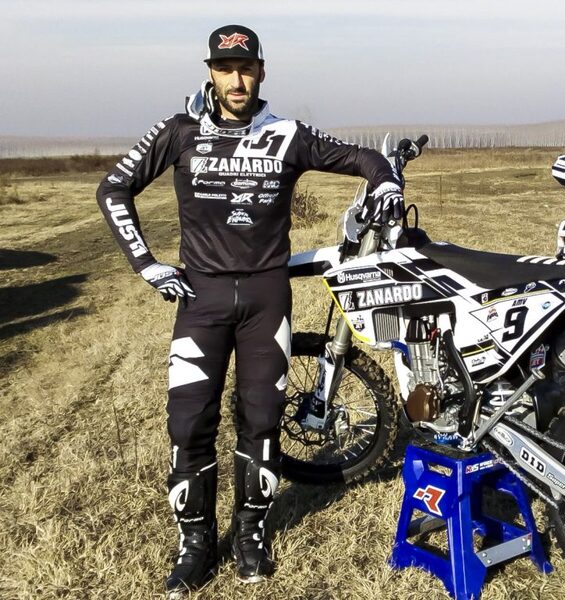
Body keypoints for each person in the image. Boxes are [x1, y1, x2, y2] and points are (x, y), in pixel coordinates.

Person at [96, 24, 404, 596]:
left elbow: (363, 157)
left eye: (245, 69)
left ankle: (250, 534)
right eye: (225, 69)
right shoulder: (180, 130)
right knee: (189, 423)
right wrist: (146, 264)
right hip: (201, 301)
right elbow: (113, 189)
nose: (236, 81)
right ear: (210, 72)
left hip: (267, 300)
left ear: (261, 71)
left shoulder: (287, 134)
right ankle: (194, 545)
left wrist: (385, 183)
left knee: (261, 420)